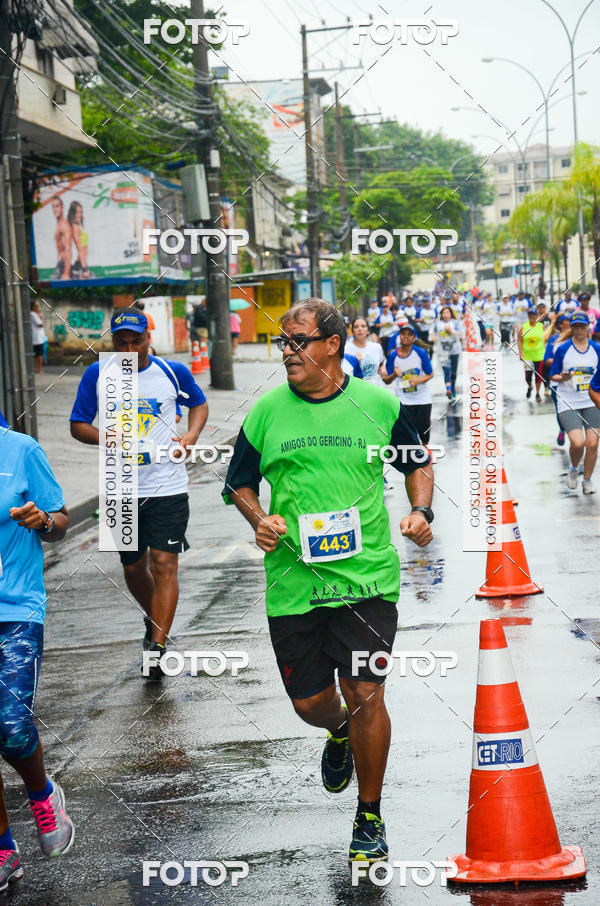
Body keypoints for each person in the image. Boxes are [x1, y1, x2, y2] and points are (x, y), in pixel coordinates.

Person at [222, 298, 433, 863]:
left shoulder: (378, 403)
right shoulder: (266, 413)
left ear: (333, 345)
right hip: (293, 583)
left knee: (366, 693)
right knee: (311, 702)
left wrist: (421, 512)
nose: (288, 353)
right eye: (283, 344)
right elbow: (238, 484)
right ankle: (336, 731)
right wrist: (260, 520)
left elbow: (416, 463)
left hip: (366, 581)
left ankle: (369, 815)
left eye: (299, 342)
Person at [69, 310, 209, 679]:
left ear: (149, 338)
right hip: (120, 485)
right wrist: (107, 437)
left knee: (164, 564)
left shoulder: (171, 372)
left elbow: (198, 403)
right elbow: (78, 425)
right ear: (113, 343)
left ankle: (158, 647)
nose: (129, 349)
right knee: (133, 566)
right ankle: (155, 622)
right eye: (121, 343)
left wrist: (191, 436)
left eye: (136, 341)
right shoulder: (98, 374)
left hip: (167, 484)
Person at [0, 427, 74, 892]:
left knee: (10, 725)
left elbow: (62, 520)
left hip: (16, 609)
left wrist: (41, 520)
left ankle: (43, 794)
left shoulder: (21, 450)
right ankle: (4, 848)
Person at [550, 311, 600, 494]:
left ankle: (587, 480)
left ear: (588, 327)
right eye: (576, 326)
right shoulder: (563, 349)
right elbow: (552, 375)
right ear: (572, 328)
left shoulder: (596, 348)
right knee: (578, 443)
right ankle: (573, 469)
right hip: (568, 401)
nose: (579, 329)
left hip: (591, 400)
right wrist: (564, 378)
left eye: (582, 326)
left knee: (593, 444)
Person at [382, 323, 434, 445]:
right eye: (403, 334)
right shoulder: (393, 356)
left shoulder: (420, 352)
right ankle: (416, 457)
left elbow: (430, 374)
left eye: (409, 335)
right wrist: (394, 374)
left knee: (424, 431)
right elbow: (387, 380)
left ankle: (426, 452)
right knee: (409, 433)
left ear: (414, 337)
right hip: (404, 400)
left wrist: (418, 380)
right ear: (399, 336)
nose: (406, 337)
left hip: (422, 399)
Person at [544, 313, 572, 446]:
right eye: (568, 320)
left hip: (576, 383)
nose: (571, 322)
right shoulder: (554, 339)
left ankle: (576, 439)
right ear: (561, 324)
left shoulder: (577, 338)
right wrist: (561, 362)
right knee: (561, 410)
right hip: (557, 382)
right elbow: (547, 359)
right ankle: (562, 429)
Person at [518, 308, 551, 402]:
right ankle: (530, 386)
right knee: (527, 377)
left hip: (539, 356)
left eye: (534, 315)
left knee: (538, 375)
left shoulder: (541, 326)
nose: (532, 317)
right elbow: (519, 340)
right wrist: (520, 353)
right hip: (527, 356)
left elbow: (547, 339)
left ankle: (537, 394)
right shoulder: (524, 327)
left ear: (537, 316)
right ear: (528, 316)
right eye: (530, 315)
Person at [434, 305, 463, 399]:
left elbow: (460, 334)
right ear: (441, 314)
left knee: (453, 372)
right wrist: (433, 337)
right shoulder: (438, 324)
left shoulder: (455, 323)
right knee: (447, 370)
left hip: (455, 350)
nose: (446, 314)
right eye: (444, 313)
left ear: (451, 314)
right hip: (443, 352)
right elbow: (432, 334)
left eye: (447, 312)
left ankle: (453, 387)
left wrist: (451, 331)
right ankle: (448, 389)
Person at [344, 317, 385, 384]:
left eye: (363, 326)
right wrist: (355, 362)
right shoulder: (345, 349)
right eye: (356, 327)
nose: (360, 329)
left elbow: (381, 364)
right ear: (352, 331)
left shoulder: (377, 347)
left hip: (375, 388)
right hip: (356, 389)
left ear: (368, 330)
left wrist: (383, 369)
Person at [66, 201, 90, 279]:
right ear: (72, 213)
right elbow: (80, 249)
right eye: (77, 212)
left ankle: (77, 267)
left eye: (81, 212)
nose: (79, 215)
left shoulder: (78, 225)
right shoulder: (75, 227)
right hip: (81, 267)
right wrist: (84, 268)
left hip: (79, 264)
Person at [50, 196, 71, 280]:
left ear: (62, 207)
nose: (55, 209)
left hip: (63, 266)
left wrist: (66, 273)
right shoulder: (59, 224)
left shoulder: (64, 226)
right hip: (59, 264)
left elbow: (68, 250)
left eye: (57, 206)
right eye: (53, 206)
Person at [30, 300, 46, 376]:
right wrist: (40, 316)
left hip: (38, 338)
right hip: (37, 339)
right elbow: (40, 324)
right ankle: (39, 369)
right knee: (39, 355)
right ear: (33, 307)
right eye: (37, 306)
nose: (39, 308)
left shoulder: (34, 314)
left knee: (37, 355)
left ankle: (37, 369)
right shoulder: (33, 314)